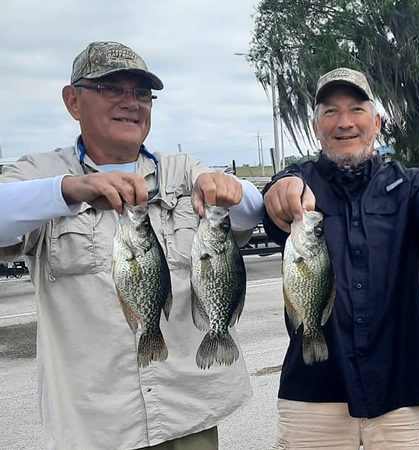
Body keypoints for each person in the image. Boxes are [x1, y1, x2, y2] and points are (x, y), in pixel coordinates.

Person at [0, 41, 265, 450]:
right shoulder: (40, 173)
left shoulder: (182, 170)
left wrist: (230, 189)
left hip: (188, 413)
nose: (131, 102)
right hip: (94, 424)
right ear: (73, 101)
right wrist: (70, 190)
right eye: (110, 88)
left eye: (142, 93)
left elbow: (251, 212)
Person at [261, 67, 419, 449]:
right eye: (330, 111)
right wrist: (280, 189)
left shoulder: (408, 184)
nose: (344, 122)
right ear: (315, 127)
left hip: (404, 388)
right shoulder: (300, 184)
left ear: (376, 122)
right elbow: (275, 205)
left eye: (356, 109)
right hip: (314, 389)